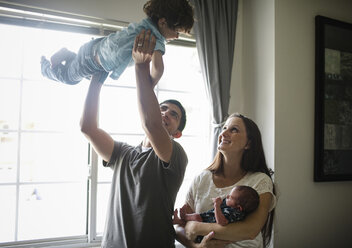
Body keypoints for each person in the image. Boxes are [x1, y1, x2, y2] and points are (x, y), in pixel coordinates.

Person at [80, 30, 188, 248]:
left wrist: (141, 66)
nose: (166, 113)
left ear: (177, 133)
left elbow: (151, 124)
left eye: (173, 115)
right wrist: (97, 78)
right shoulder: (123, 153)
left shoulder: (176, 156)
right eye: (163, 108)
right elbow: (88, 127)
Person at [175, 113, 277, 248]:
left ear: (248, 144)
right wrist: (196, 247)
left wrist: (196, 227)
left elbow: (250, 231)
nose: (224, 133)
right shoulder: (202, 178)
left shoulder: (260, 181)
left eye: (234, 129)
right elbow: (179, 226)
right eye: (224, 128)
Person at [40, 0, 194, 86]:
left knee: (81, 72)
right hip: (93, 61)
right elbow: (158, 69)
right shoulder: (154, 38)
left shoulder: (145, 24)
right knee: (68, 77)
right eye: (177, 32)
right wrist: (150, 85)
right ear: (163, 22)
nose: (177, 36)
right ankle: (46, 67)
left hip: (95, 51)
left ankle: (70, 55)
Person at [173, 185, 259, 243]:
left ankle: (183, 218)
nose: (227, 197)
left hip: (205, 233)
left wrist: (217, 206)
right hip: (206, 219)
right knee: (196, 216)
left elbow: (222, 222)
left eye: (230, 197)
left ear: (239, 207)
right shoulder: (232, 207)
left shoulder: (234, 213)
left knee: (196, 218)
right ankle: (181, 219)